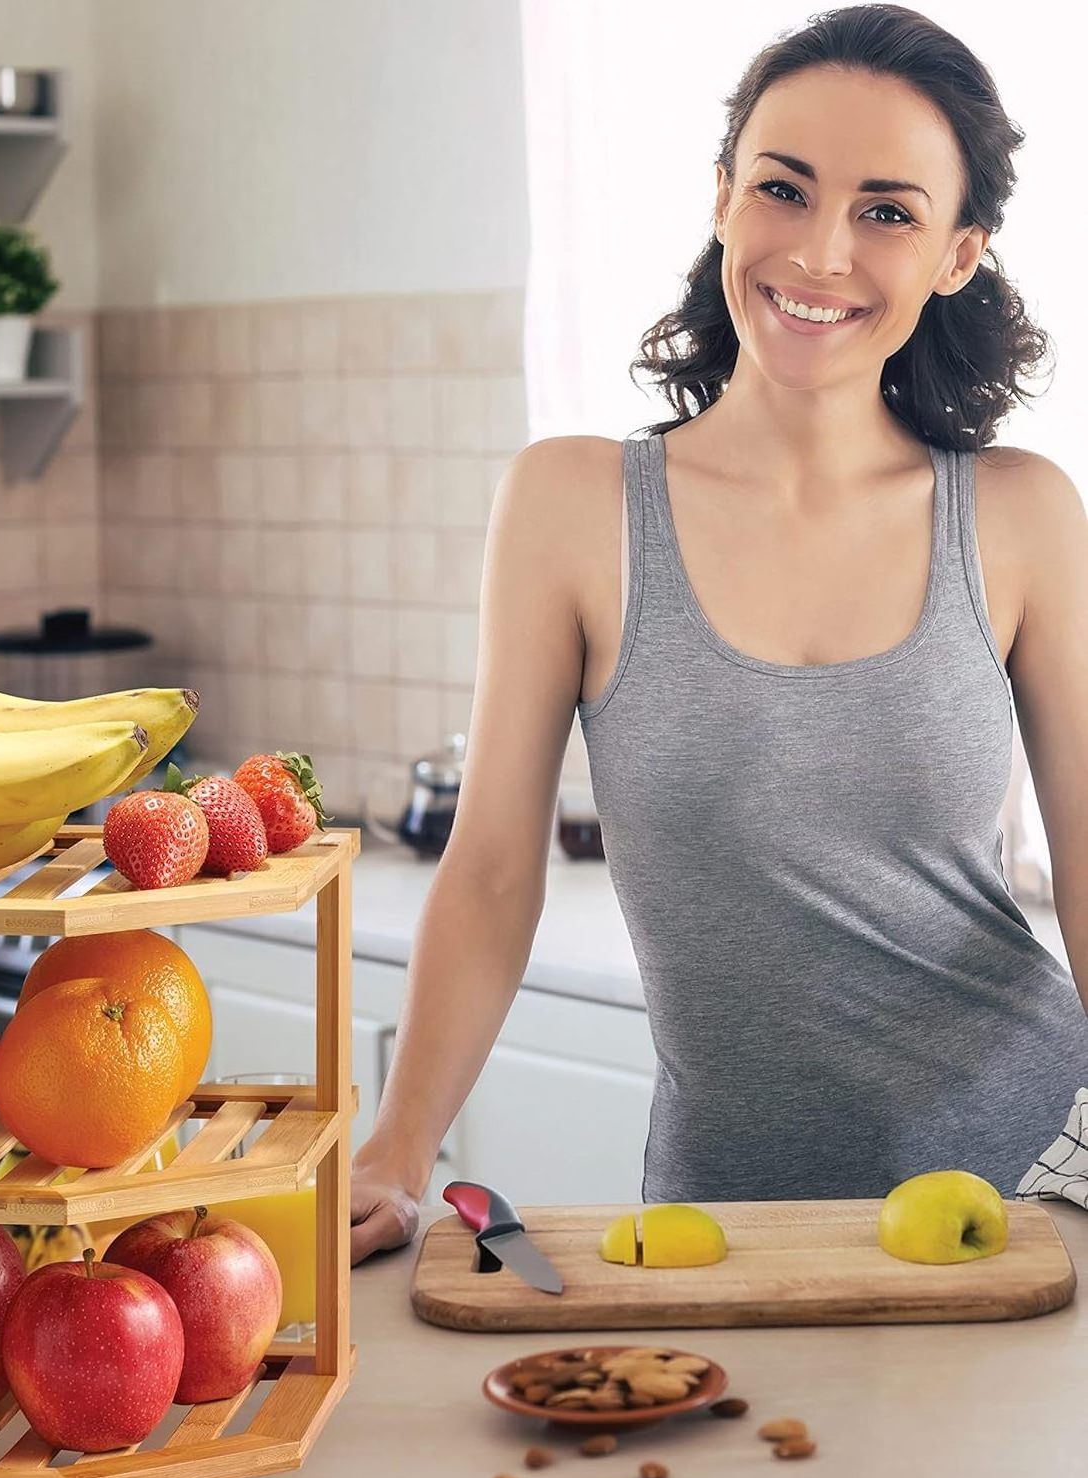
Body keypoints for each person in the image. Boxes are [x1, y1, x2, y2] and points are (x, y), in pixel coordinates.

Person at [350, 3, 1088, 1266]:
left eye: (888, 212)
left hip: (1020, 1200)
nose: (820, 253)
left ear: (959, 254)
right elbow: (488, 873)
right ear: (722, 199)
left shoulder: (1018, 514)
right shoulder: (573, 504)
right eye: (784, 190)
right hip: (720, 1220)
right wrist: (398, 1142)